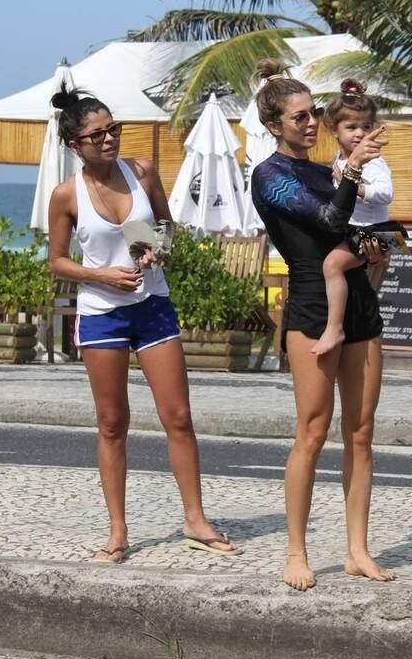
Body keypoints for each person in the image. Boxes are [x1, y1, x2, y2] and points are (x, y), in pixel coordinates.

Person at [46, 84, 239, 563]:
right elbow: (56, 261)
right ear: (75, 144)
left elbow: (168, 229)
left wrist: (155, 248)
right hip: (101, 313)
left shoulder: (142, 171)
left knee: (178, 417)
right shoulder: (66, 195)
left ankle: (195, 519)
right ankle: (117, 531)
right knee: (113, 423)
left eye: (113, 129)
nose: (109, 139)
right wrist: (100, 274)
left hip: (152, 305)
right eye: (97, 135)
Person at [248, 59, 392, 591]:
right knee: (311, 431)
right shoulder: (271, 175)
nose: (311, 124)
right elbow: (331, 222)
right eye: (300, 117)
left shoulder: (330, 166)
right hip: (312, 306)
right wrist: (352, 170)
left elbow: (363, 232)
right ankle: (296, 551)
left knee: (361, 432)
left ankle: (357, 550)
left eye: (314, 115)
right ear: (274, 125)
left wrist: (378, 244)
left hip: (358, 302)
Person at [311, 79, 396, 356]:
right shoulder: (337, 160)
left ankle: (334, 327)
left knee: (332, 266)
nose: (360, 134)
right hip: (357, 231)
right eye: (351, 127)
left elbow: (386, 193)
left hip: (376, 230)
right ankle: (343, 322)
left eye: (366, 127)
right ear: (333, 129)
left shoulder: (373, 160)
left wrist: (355, 187)